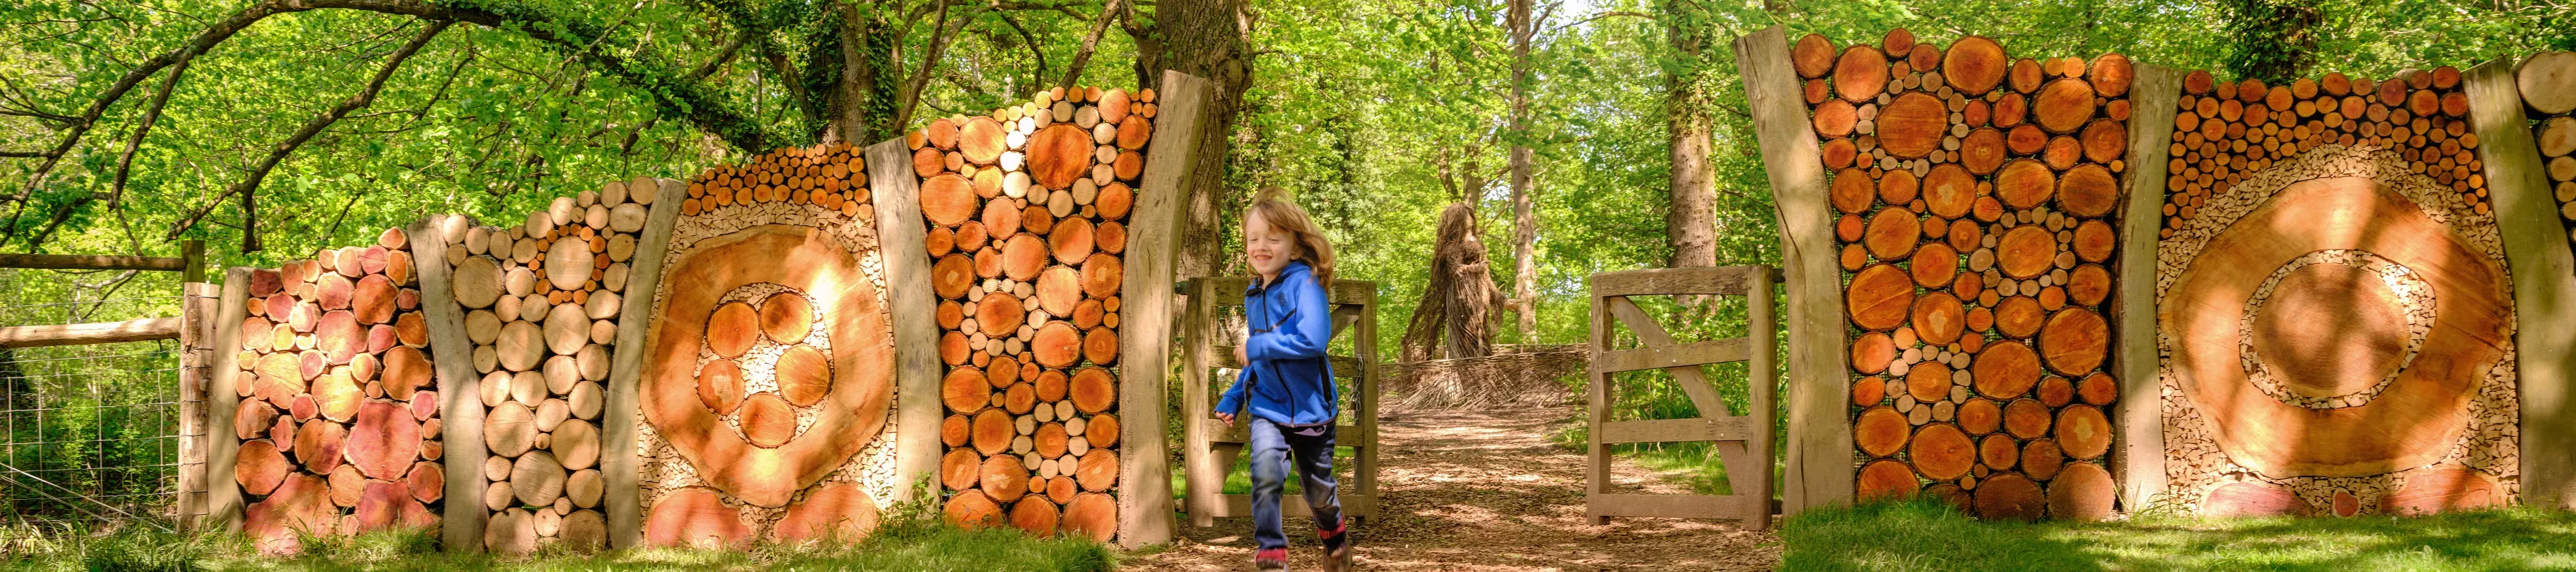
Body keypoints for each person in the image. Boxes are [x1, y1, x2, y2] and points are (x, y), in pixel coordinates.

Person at [1214, 187, 1352, 572]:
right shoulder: (1253, 294)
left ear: (1294, 246)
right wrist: (1235, 396)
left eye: (1272, 239)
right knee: (1266, 475)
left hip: (1312, 412)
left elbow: (1313, 339)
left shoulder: (1305, 284)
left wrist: (1259, 345)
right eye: (1253, 239)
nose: (1261, 246)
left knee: (1318, 492)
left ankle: (1335, 537)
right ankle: (1271, 554)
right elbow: (1259, 361)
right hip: (1268, 408)